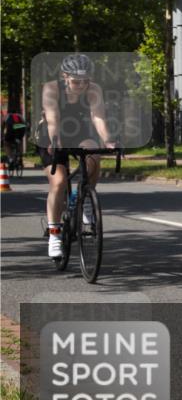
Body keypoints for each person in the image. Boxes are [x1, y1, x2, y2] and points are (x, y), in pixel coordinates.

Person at [37, 54, 115, 259]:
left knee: (94, 155)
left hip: (79, 130)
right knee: (59, 181)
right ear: (64, 76)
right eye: (76, 81)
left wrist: (108, 141)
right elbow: (53, 119)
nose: (81, 85)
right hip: (51, 134)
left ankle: (86, 198)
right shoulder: (51, 89)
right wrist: (56, 141)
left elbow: (98, 118)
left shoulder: (94, 90)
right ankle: (54, 234)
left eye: (85, 81)